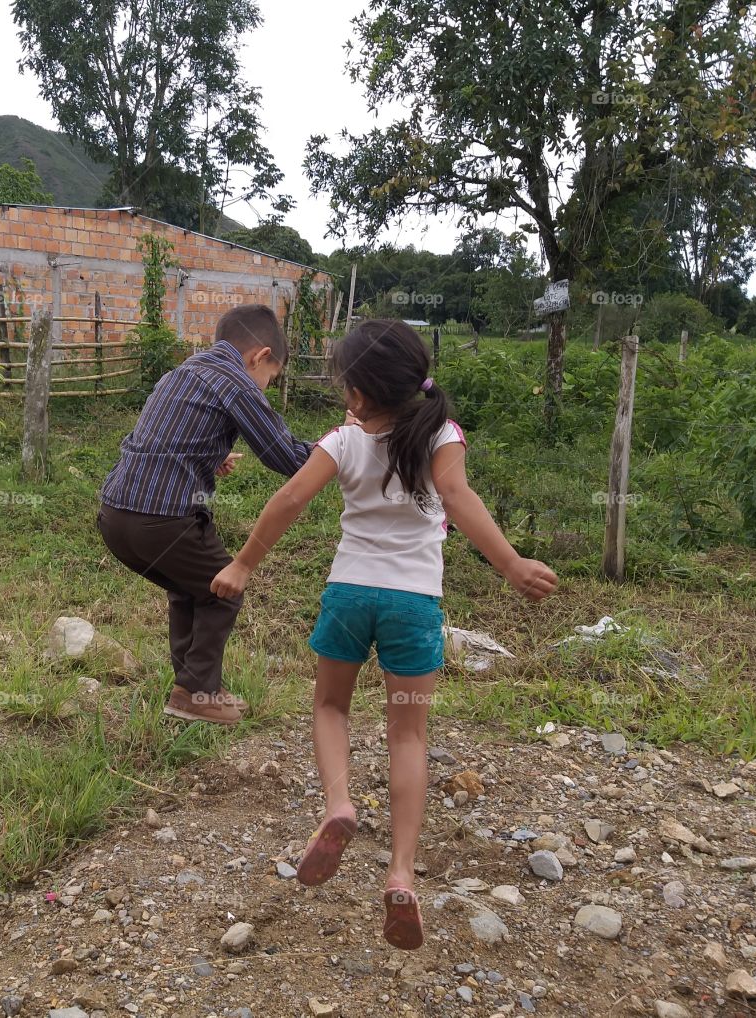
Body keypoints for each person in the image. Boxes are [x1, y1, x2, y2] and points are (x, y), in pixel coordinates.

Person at [209, 319, 557, 949]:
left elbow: (289, 499)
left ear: (359, 394)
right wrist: (511, 564)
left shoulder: (342, 440)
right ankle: (400, 871)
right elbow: (456, 495)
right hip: (413, 605)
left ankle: (339, 803)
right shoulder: (442, 433)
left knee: (331, 705)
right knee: (408, 732)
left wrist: (243, 563)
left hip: (350, 596)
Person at [97, 304, 313, 726]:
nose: (266, 387)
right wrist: (341, 444)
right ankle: (196, 693)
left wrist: (209, 455)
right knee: (223, 589)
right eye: (271, 377)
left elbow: (164, 436)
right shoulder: (235, 382)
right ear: (259, 355)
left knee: (189, 589)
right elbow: (285, 456)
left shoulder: (182, 372)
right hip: (162, 520)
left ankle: (193, 688)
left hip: (116, 517)